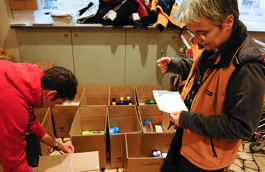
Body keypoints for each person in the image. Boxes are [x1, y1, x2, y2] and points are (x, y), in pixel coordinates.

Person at [157, 0, 265, 171]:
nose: (197, 40)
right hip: (189, 137)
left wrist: (188, 120)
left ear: (228, 22)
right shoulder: (219, 44)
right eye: (192, 32)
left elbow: (242, 126)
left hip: (207, 156)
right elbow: (208, 70)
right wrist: (176, 65)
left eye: (202, 32)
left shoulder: (248, 68)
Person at [0, 60, 78, 172]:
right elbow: (14, 166)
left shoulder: (25, 79)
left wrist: (58, 145)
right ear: (51, 94)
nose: (53, 107)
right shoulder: (14, 105)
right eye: (56, 103)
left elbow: (31, 123)